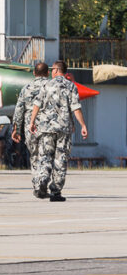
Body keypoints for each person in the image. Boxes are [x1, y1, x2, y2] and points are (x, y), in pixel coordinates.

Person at [28, 60, 88, 202]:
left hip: (46, 128)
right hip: (63, 128)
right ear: (65, 72)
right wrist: (83, 125)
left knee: (45, 156)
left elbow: (37, 104)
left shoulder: (45, 85)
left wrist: (32, 121)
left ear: (55, 70)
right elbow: (76, 108)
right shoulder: (70, 86)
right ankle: (55, 191)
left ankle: (43, 179)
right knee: (60, 159)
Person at [11, 61, 49, 198]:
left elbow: (19, 110)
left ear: (34, 73)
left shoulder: (26, 88)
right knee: (46, 156)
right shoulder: (50, 86)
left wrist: (16, 129)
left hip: (30, 127)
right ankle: (44, 180)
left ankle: (37, 185)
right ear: (47, 73)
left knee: (34, 156)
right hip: (47, 126)